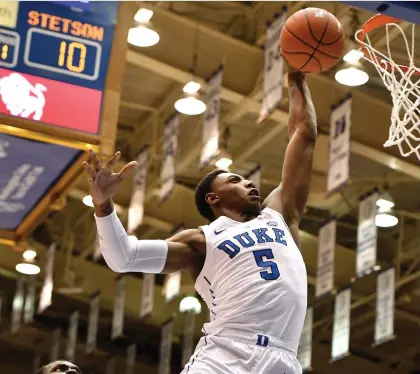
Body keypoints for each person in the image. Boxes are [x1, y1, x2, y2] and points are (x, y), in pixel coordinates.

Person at [83, 66, 316, 374]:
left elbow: (305, 133)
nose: (248, 183)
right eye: (235, 180)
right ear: (213, 198)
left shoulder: (280, 215)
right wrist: (103, 203)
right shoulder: (202, 241)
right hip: (227, 354)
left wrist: (296, 77)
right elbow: (123, 257)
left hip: (283, 360)